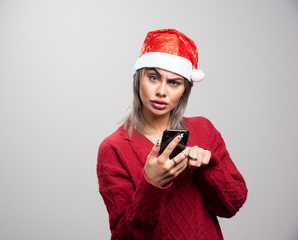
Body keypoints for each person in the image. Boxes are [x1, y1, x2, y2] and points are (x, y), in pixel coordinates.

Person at [96, 29, 248, 240]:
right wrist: (152, 184)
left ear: (185, 90)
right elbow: (124, 236)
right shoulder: (114, 148)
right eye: (153, 78)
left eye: (174, 82)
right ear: (138, 80)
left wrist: (207, 167)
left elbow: (232, 205)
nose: (162, 91)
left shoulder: (204, 129)